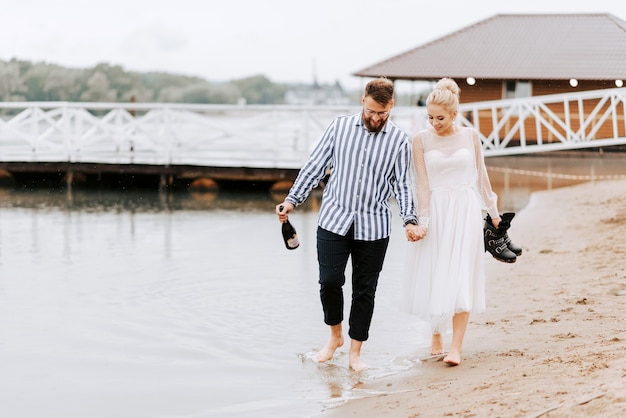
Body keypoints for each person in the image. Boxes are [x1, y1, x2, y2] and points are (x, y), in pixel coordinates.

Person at [276, 77, 421, 371]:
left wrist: (409, 220)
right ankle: (335, 337)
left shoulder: (399, 141)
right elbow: (315, 165)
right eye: (370, 111)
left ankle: (356, 353)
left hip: (374, 226)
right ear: (362, 101)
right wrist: (293, 199)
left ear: (391, 106)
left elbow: (403, 185)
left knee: (364, 290)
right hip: (333, 219)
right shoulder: (339, 127)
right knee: (329, 282)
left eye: (382, 113)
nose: (375, 118)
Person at [403, 77, 501, 366]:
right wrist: (423, 221)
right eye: (430, 117)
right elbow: (422, 184)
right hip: (436, 210)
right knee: (435, 270)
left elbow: (481, 177)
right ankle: (435, 332)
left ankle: (456, 347)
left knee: (460, 274)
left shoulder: (470, 136)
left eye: (440, 118)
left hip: (464, 209)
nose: (434, 122)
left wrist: (494, 212)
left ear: (455, 114)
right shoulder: (419, 140)